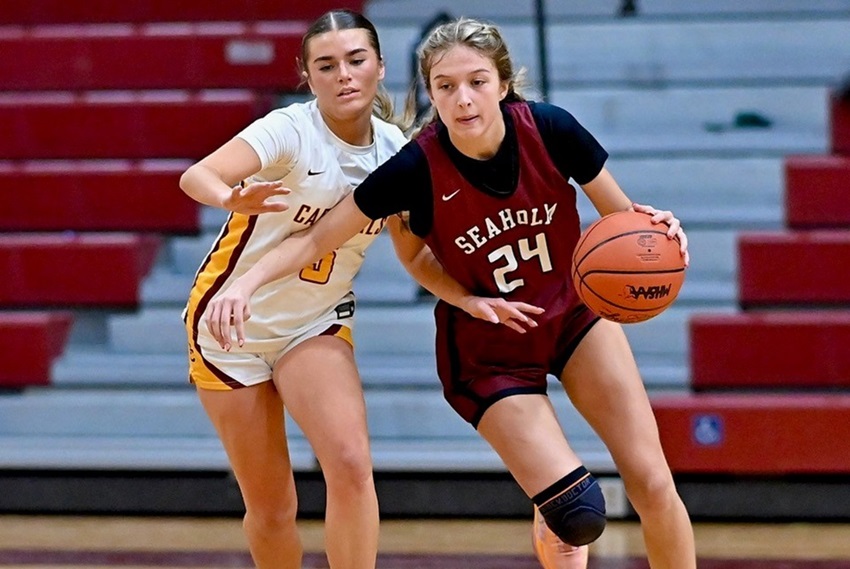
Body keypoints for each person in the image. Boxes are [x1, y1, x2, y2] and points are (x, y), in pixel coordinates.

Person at [205, 17, 697, 569]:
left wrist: (658, 232)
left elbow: (622, 221)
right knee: (579, 512)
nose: (463, 99)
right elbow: (331, 240)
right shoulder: (414, 166)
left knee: (653, 481)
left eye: (477, 81)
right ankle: (554, 501)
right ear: (429, 93)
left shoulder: (552, 129)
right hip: (490, 349)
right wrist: (245, 280)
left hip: (574, 318)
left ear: (503, 84)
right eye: (445, 86)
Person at [178, 10, 408, 569]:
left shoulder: (397, 151)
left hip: (315, 322)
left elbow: (416, 250)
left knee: (351, 464)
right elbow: (196, 176)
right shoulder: (288, 129)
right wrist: (231, 198)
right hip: (232, 326)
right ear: (308, 76)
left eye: (356, 60)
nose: (344, 75)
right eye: (326, 66)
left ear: (379, 66)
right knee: (274, 507)